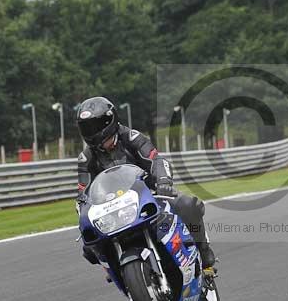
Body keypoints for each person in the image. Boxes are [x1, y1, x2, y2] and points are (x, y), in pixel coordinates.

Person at [75, 96, 216, 269]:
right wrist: (84, 211)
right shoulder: (86, 158)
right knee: (89, 246)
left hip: (149, 195)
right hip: (114, 209)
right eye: (86, 127)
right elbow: (83, 192)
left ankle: (204, 251)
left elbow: (156, 160)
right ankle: (114, 268)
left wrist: (163, 181)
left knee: (188, 205)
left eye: (95, 126)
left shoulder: (132, 138)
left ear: (109, 120)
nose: (91, 131)